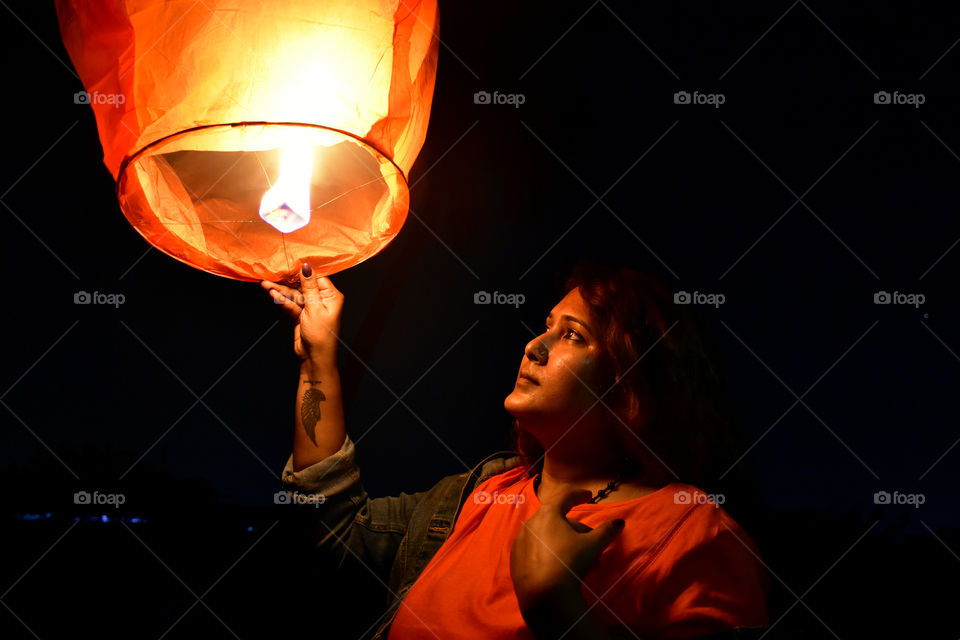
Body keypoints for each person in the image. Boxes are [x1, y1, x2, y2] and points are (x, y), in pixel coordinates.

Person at [263, 260, 771, 640]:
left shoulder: (692, 530)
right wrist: (318, 361)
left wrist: (560, 613)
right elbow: (331, 527)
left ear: (628, 381)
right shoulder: (481, 493)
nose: (534, 345)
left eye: (571, 334)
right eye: (546, 325)